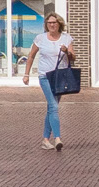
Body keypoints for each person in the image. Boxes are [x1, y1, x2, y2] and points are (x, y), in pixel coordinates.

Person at [26, 14, 74, 149]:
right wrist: (26, 74)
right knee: (54, 106)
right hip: (45, 76)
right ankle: (57, 138)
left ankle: (45, 140)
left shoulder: (66, 38)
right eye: (49, 23)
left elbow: (73, 57)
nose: (51, 25)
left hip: (60, 76)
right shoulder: (40, 38)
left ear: (59, 24)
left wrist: (66, 51)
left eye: (54, 22)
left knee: (51, 108)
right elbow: (31, 56)